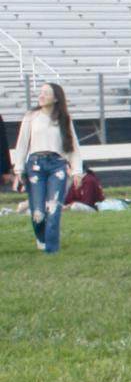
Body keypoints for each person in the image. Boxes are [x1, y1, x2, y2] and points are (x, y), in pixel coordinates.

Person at [11, 81, 81, 253]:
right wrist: (18, 170)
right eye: (40, 92)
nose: (41, 96)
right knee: (38, 211)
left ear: (56, 98)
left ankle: (51, 249)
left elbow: (73, 147)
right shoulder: (31, 117)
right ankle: (41, 237)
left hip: (57, 164)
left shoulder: (64, 119)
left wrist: (77, 171)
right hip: (35, 165)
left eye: (46, 93)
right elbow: (21, 145)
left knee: (54, 207)